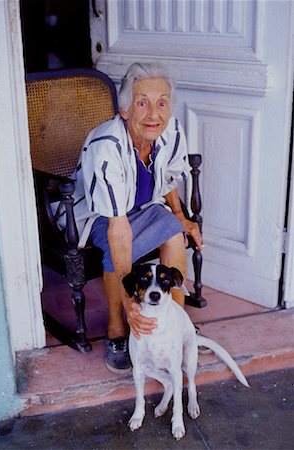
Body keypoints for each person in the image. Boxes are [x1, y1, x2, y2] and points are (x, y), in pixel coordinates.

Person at [66, 62, 202, 374]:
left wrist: (181, 215)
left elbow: (168, 177)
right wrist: (131, 303)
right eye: (143, 103)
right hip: (95, 216)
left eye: (162, 103)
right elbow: (118, 230)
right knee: (122, 248)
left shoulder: (171, 130)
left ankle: (175, 325)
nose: (155, 114)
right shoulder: (107, 147)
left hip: (139, 207)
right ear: (125, 109)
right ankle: (116, 330)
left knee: (172, 229)